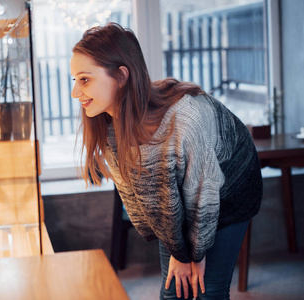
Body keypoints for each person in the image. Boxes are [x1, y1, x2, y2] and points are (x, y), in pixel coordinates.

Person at [70, 23, 263, 300]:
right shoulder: (109, 127)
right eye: (74, 80)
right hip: (183, 198)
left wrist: (194, 255)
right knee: (173, 290)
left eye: (85, 80)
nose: (76, 93)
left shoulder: (185, 118)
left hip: (229, 189)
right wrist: (178, 252)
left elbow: (202, 196)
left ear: (121, 76)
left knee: (207, 290)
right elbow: (146, 203)